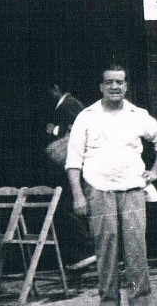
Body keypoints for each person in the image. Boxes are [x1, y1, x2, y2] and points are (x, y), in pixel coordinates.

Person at [66, 64, 157, 306]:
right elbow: (73, 161)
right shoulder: (87, 116)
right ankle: (109, 301)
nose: (114, 86)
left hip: (132, 190)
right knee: (106, 249)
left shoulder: (137, 115)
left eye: (119, 82)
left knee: (136, 250)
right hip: (98, 189)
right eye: (109, 82)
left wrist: (154, 171)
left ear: (126, 86)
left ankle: (140, 302)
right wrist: (78, 196)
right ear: (101, 86)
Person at [43, 84, 96, 272]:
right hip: (70, 166)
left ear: (56, 88)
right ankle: (82, 254)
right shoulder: (65, 105)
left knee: (70, 207)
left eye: (49, 90)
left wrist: (54, 136)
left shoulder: (70, 105)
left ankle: (86, 251)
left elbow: (78, 135)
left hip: (74, 166)